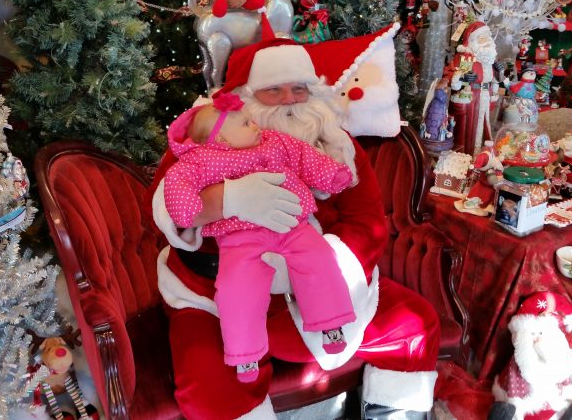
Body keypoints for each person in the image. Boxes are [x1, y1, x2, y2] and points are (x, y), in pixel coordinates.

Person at [145, 29, 440, 420]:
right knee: (209, 384)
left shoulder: (338, 146)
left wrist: (311, 264)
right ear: (246, 100)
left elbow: (366, 221)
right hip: (215, 299)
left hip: (321, 284)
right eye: (273, 90)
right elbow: (167, 206)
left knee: (415, 324)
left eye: (299, 89)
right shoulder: (207, 143)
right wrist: (226, 200)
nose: (289, 100)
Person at [164, 92, 356, 383]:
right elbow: (178, 184)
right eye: (245, 123)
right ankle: (245, 353)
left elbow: (304, 157)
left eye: (251, 120)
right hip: (239, 235)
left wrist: (331, 175)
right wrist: (188, 211)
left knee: (320, 258)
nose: (254, 125)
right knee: (235, 286)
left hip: (290, 223)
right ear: (223, 141)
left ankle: (331, 323)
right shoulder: (200, 159)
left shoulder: (274, 141)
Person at [444, 21, 506, 155]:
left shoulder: (490, 60)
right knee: (468, 131)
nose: (488, 41)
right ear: (473, 40)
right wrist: (462, 77)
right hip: (471, 100)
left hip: (485, 98)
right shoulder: (464, 57)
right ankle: (466, 156)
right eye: (483, 38)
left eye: (488, 37)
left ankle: (482, 156)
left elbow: (495, 81)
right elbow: (449, 76)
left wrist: (499, 73)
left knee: (484, 128)